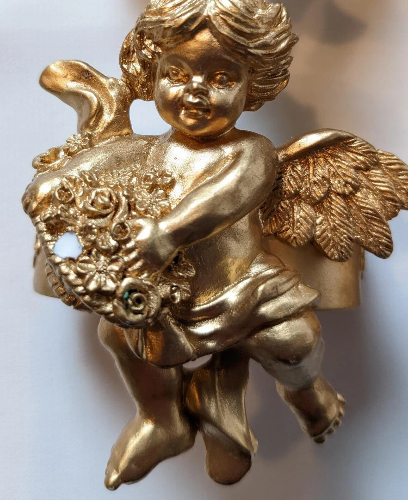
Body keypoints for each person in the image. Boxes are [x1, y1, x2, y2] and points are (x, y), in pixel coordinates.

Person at [96, 0, 345, 489]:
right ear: (152, 73)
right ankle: (162, 418)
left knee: (295, 343)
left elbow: (224, 197)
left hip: (244, 290)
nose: (195, 90)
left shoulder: (251, 152)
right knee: (116, 333)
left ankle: (305, 391)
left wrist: (167, 232)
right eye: (176, 73)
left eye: (221, 78)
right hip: (167, 293)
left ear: (256, 83)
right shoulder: (146, 153)